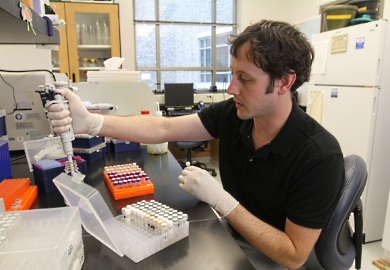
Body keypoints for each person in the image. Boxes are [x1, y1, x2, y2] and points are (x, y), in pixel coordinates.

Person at [47, 20, 344, 269]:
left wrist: (223, 202)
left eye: (245, 79)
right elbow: (163, 126)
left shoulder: (319, 156)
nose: (231, 88)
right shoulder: (235, 114)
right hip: (235, 235)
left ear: (284, 82)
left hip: (272, 258)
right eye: (232, 74)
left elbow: (292, 255)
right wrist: (93, 123)